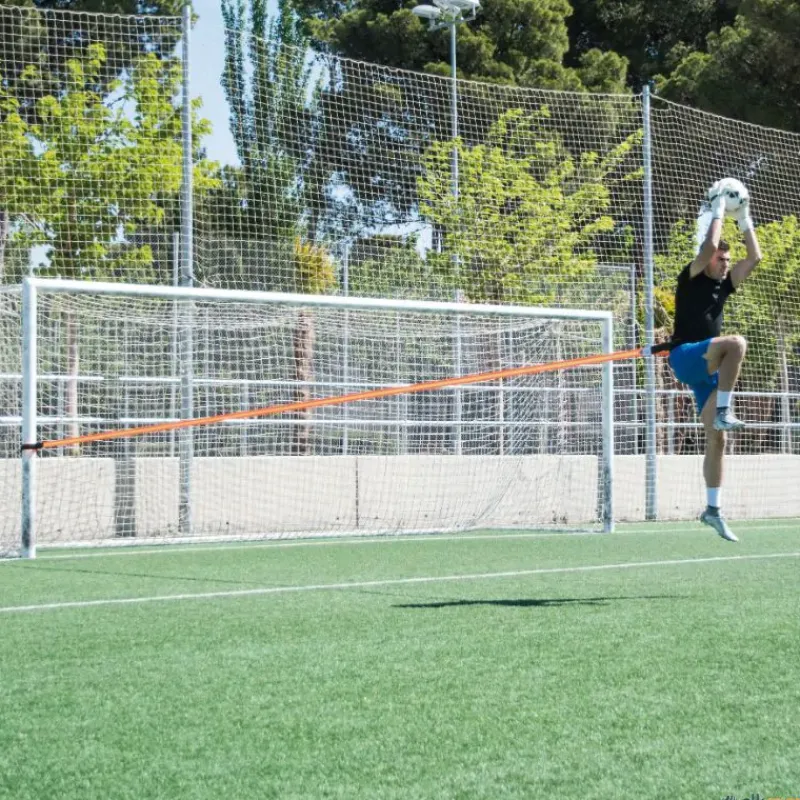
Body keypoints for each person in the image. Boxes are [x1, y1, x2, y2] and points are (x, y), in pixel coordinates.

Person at [667, 183, 762, 542]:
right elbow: (708, 244)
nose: (726, 263)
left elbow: (755, 257)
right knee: (736, 343)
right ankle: (724, 409)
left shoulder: (725, 286)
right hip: (686, 357)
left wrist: (745, 217)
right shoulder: (689, 276)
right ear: (708, 260)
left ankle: (713, 510)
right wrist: (719, 208)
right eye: (722, 259)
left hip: (703, 369)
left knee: (717, 440)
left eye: (727, 260)